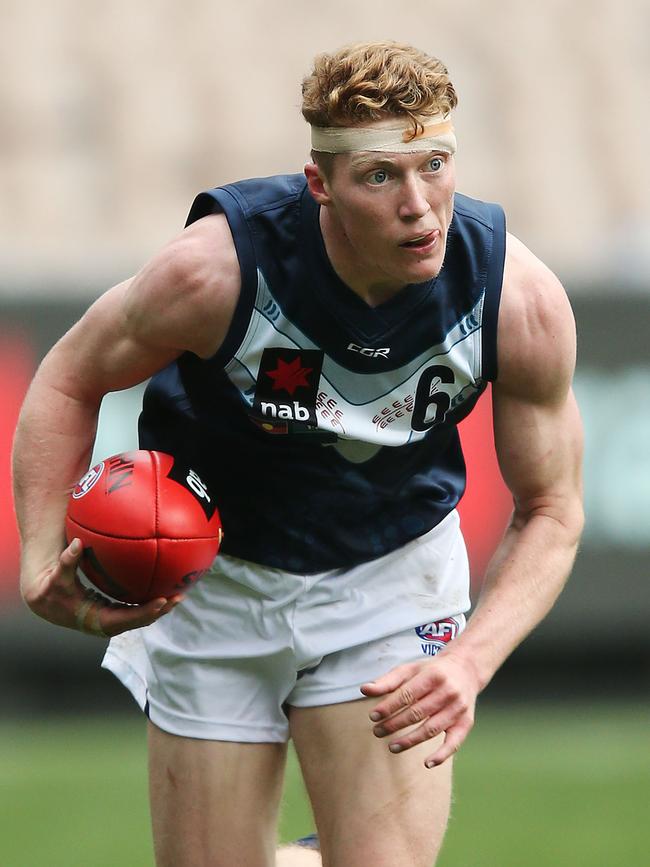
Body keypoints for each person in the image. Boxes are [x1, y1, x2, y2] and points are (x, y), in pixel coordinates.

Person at [12, 41, 584, 867]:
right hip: (212, 582)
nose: (420, 206)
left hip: (390, 579)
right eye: (381, 176)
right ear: (322, 184)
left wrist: (471, 660)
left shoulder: (517, 299)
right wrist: (39, 555)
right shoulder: (214, 271)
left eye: (435, 164)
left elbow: (554, 509)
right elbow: (68, 378)